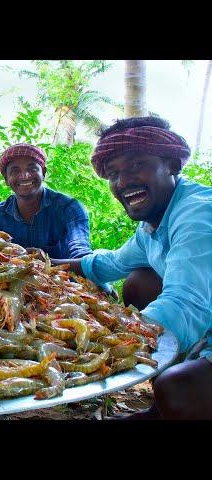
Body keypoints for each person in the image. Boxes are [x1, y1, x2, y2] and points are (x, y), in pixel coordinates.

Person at [52, 116, 212, 419]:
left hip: (200, 316)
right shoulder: (155, 223)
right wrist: (46, 264)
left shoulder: (196, 216)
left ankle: (175, 400)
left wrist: (99, 342)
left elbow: (185, 305)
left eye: (136, 164)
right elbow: (112, 262)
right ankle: (162, 408)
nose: (123, 181)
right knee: (140, 281)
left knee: (176, 388)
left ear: (173, 165)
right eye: (113, 173)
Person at [0, 143, 92, 259]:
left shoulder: (69, 209)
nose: (25, 176)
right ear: (6, 179)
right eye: (15, 171)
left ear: (43, 173)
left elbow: (81, 255)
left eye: (32, 168)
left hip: (62, 277)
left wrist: (41, 262)